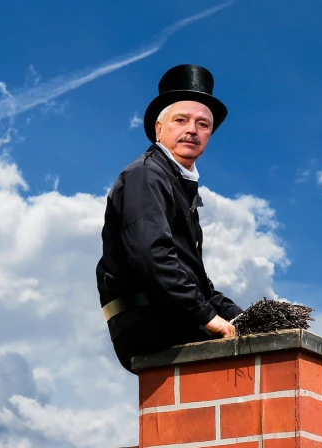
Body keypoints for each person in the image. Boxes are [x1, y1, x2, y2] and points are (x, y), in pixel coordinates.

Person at [96, 64, 243, 372]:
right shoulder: (145, 176)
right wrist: (206, 316)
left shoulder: (179, 184)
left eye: (203, 124)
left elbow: (196, 282)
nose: (192, 129)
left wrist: (245, 317)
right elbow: (152, 256)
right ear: (158, 129)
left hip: (169, 314)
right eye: (181, 120)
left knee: (264, 341)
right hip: (148, 321)